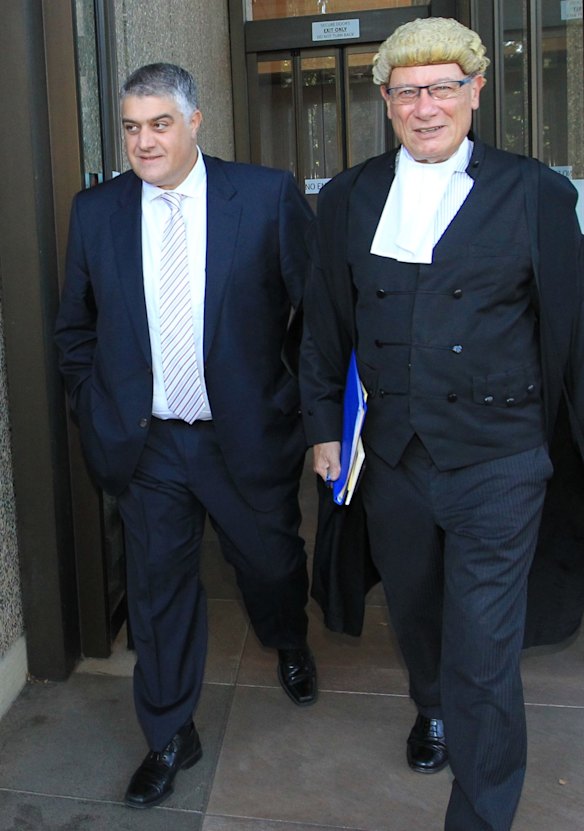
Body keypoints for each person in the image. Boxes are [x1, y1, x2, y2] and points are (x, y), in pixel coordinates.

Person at [300, 17, 583, 831]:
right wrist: (325, 425)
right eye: (408, 92)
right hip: (394, 458)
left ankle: (481, 813)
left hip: (500, 460)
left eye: (444, 88)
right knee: (418, 610)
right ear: (385, 101)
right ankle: (432, 703)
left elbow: (570, 326)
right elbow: (325, 325)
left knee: (486, 647)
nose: (427, 107)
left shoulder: (534, 192)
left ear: (476, 92)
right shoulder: (350, 197)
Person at [55, 62, 317, 810]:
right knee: (158, 590)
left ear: (195, 122)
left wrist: (290, 396)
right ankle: (170, 732)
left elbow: (317, 314)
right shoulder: (98, 210)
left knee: (269, 562)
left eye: (159, 123)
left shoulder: (265, 198)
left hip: (245, 435)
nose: (144, 141)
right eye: (132, 127)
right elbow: (75, 327)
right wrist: (94, 401)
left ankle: (287, 637)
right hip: (151, 445)